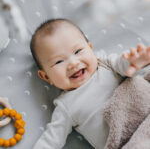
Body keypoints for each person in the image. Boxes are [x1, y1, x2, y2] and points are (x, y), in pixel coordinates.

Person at [30, 18, 150, 149]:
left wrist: (136, 62)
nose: (73, 63)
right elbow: (50, 141)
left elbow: (126, 67)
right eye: (59, 62)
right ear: (46, 77)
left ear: (90, 49)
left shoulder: (105, 64)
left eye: (77, 51)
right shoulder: (66, 106)